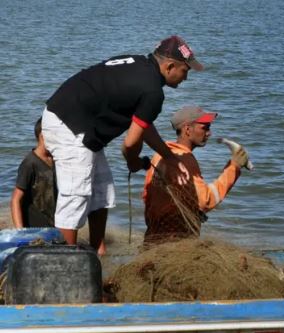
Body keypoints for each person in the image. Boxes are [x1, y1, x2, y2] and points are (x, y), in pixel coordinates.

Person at [41, 35, 203, 255]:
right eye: (186, 71)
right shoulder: (153, 91)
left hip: (76, 121)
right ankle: (65, 269)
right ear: (170, 66)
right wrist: (134, 162)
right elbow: (130, 144)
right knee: (75, 198)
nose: (186, 78)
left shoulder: (138, 64)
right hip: (68, 125)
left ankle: (98, 254)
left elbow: (143, 126)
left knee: (102, 192)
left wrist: (170, 157)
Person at [142, 106, 247, 244]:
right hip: (177, 242)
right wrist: (234, 167)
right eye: (205, 128)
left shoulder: (159, 155)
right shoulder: (186, 160)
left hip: (153, 236)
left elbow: (146, 196)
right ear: (187, 130)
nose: (209, 133)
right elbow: (205, 200)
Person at [11, 117, 56, 229]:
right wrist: (20, 232)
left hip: (54, 226)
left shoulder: (57, 159)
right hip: (35, 229)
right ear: (43, 136)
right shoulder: (30, 163)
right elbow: (16, 200)